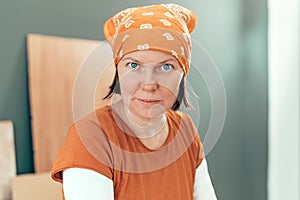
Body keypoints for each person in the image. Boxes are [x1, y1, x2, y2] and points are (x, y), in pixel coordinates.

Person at [51, 3, 217, 200]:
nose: (149, 84)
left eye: (166, 67)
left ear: (183, 73)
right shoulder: (90, 138)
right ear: (118, 71)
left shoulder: (186, 130)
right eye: (134, 65)